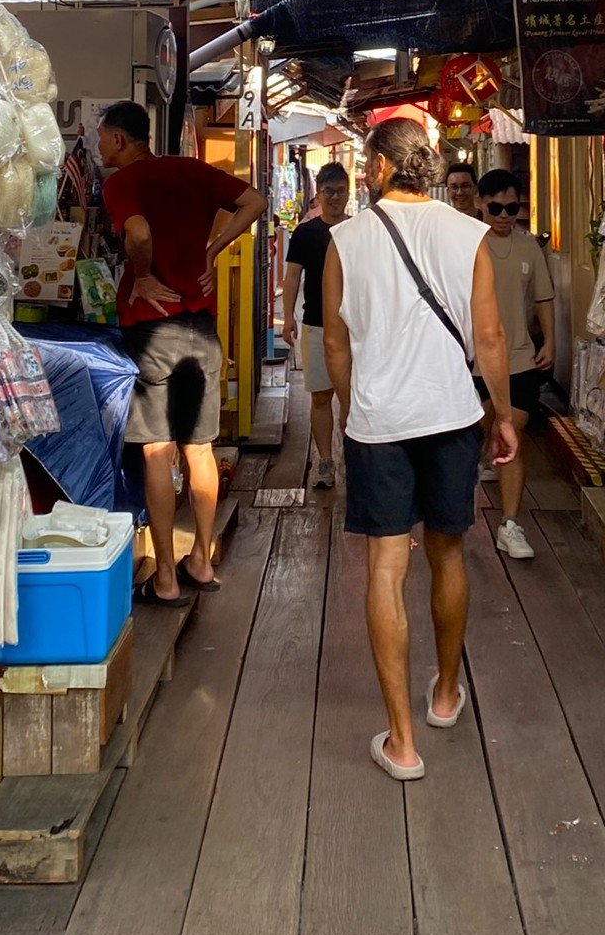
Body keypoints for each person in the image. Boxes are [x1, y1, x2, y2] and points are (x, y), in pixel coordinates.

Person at [322, 117, 516, 782]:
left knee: (384, 567)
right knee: (448, 547)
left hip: (380, 421)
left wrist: (353, 409)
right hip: (452, 413)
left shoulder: (344, 240)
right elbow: (489, 336)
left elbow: (334, 344)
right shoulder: (470, 234)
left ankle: (402, 743)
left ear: (378, 166)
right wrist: (505, 414)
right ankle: (444, 693)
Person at [98, 100, 266, 606]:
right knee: (199, 448)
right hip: (200, 328)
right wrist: (212, 250)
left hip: (152, 330)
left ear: (121, 139)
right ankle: (203, 560)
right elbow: (255, 202)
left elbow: (139, 232)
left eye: (102, 137)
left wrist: (143, 274)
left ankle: (167, 574)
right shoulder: (193, 171)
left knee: (155, 448)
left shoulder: (122, 183)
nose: (99, 145)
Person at [472, 169, 556, 562]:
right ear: (480, 203)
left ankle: (509, 522)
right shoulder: (467, 246)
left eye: (512, 207)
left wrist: (551, 341)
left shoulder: (528, 248)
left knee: (513, 435)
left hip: (519, 356)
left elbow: (543, 299)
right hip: (473, 360)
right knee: (478, 430)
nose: (504, 215)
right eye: (496, 207)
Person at [282, 162, 352, 491]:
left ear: (349, 192)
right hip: (315, 325)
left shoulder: (359, 230)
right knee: (321, 397)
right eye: (328, 191)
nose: (335, 197)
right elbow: (293, 276)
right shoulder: (305, 233)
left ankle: (355, 456)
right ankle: (326, 461)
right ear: (318, 195)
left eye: (340, 190)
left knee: (355, 398)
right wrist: (287, 317)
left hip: (355, 328)